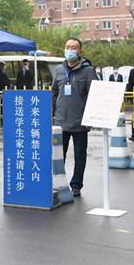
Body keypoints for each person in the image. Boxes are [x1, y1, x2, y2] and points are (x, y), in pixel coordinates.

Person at [51, 38, 99, 197]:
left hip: (80, 122)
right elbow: (54, 93)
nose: (70, 50)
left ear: (80, 51)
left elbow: (95, 95)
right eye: (67, 47)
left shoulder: (88, 71)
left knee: (80, 156)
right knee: (58, 155)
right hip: (61, 121)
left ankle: (76, 184)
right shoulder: (58, 69)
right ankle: (58, 183)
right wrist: (52, 114)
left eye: (73, 47)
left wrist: (91, 118)